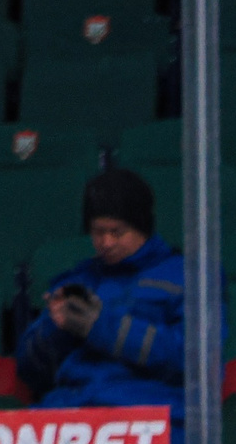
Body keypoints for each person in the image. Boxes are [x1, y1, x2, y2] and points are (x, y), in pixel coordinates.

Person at [17, 168, 190, 419]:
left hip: (151, 411)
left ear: (142, 227)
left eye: (116, 232)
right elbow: (29, 370)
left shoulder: (185, 276)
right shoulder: (79, 280)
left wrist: (99, 327)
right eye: (98, 232)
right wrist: (55, 328)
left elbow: (192, 361)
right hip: (73, 408)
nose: (106, 242)